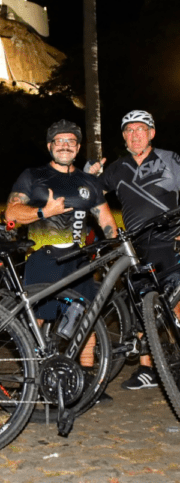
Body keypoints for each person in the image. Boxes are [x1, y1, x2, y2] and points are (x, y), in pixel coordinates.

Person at [5, 120, 117, 371]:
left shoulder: (89, 181)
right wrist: (44, 212)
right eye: (59, 141)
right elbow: (11, 213)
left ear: (77, 148)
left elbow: (106, 218)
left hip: (79, 260)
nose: (65, 146)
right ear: (49, 146)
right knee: (38, 319)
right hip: (43, 256)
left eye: (71, 142)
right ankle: (34, 374)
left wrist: (115, 245)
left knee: (87, 317)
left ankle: (87, 376)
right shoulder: (32, 175)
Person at [86, 109, 180, 390]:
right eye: (129, 131)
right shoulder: (117, 168)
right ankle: (146, 369)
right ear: (124, 138)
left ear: (151, 133)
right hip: (136, 246)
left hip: (171, 240)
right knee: (143, 307)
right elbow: (91, 195)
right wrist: (87, 176)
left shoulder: (170, 159)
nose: (135, 135)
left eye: (141, 129)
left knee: (175, 303)